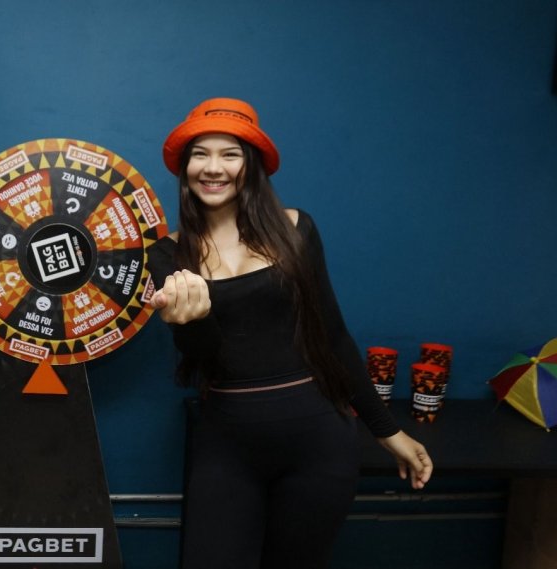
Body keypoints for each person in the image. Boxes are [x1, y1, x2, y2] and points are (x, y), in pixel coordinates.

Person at [147, 97, 433, 569]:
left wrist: (387, 430)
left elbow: (333, 336)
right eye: (200, 154)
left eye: (230, 154)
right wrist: (191, 320)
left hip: (319, 439)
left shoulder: (296, 228)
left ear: (252, 165)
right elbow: (203, 356)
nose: (213, 168)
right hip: (227, 443)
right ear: (185, 168)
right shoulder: (168, 255)